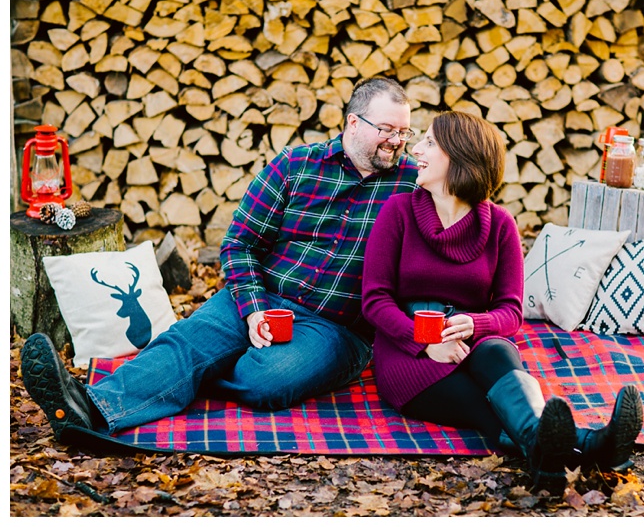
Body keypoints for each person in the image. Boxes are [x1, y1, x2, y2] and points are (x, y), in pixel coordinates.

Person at [21, 76, 420, 442]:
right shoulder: (296, 166)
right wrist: (253, 311)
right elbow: (240, 244)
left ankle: (193, 372)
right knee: (185, 341)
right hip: (262, 295)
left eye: (404, 131)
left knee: (267, 379)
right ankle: (86, 407)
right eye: (386, 130)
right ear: (353, 123)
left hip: (336, 326)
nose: (397, 141)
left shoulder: (413, 183)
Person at [361, 111, 644, 494]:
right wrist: (425, 341)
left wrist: (476, 325)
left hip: (472, 342)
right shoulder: (398, 212)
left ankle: (547, 462)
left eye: (428, 143)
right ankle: (593, 445)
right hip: (408, 352)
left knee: (496, 352)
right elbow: (375, 300)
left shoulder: (499, 224)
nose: (415, 150)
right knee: (485, 405)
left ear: (458, 156)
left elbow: (510, 311)